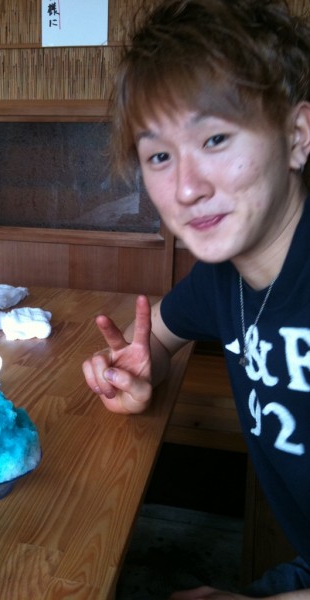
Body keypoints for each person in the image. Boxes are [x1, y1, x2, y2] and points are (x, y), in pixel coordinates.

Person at [81, 0, 310, 597]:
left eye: (215, 138)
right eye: (160, 156)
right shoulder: (222, 278)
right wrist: (138, 370)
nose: (185, 188)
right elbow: (157, 335)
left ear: (297, 136)